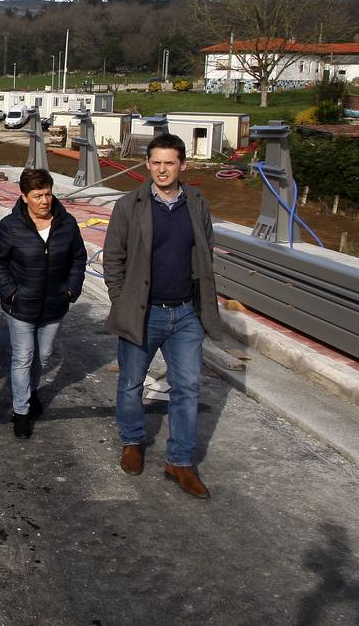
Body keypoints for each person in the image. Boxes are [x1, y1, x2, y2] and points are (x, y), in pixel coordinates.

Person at [103, 133, 221, 499]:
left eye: (169, 162)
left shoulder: (197, 204)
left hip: (186, 314)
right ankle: (132, 441)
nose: (162, 169)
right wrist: (123, 301)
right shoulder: (129, 205)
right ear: (147, 165)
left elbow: (207, 250)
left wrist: (200, 303)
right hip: (143, 312)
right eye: (155, 162)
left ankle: (181, 462)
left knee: (187, 387)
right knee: (131, 384)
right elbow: (113, 259)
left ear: (182, 165)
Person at [0, 168, 87, 439]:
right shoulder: (10, 226)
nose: (45, 201)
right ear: (24, 197)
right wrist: (11, 293)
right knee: (23, 357)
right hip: (20, 307)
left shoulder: (67, 224)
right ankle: (21, 411)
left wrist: (70, 290)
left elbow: (78, 259)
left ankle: (31, 393)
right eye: (38, 195)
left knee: (42, 356)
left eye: (48, 194)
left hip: (55, 305)